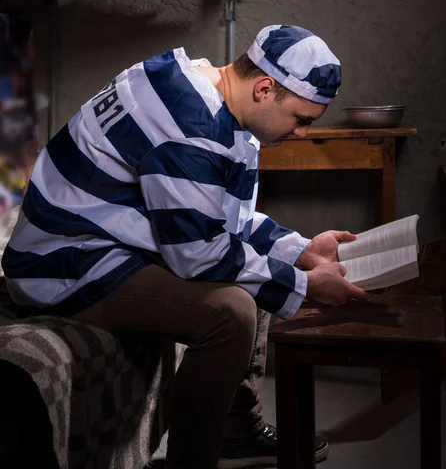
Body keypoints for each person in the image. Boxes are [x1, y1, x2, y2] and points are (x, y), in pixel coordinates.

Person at [2, 24, 367, 469]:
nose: (303, 134)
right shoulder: (190, 127)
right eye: (301, 119)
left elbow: (216, 213)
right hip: (63, 262)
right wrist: (306, 285)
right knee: (231, 314)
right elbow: (200, 253)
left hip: (99, 241)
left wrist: (299, 249)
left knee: (259, 270)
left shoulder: (198, 85)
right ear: (265, 88)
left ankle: (234, 429)